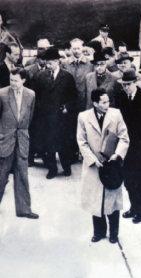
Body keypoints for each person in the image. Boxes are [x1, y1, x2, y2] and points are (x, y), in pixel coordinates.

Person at [77, 88, 129, 243]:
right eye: (104, 102)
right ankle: (99, 232)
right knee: (95, 200)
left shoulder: (116, 114)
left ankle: (114, 233)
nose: (108, 104)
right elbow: (81, 141)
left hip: (112, 165)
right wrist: (92, 159)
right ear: (95, 103)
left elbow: (124, 137)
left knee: (112, 200)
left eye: (108, 101)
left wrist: (117, 155)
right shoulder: (83, 117)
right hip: (94, 165)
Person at [114, 69, 141, 223]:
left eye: (128, 84)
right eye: (123, 85)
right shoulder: (119, 97)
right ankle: (133, 207)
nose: (125, 87)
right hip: (125, 144)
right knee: (129, 179)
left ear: (135, 82)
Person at [0, 68, 38, 219]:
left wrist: (24, 133)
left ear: (23, 80)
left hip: (22, 140)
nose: (12, 83)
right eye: (11, 80)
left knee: (22, 174)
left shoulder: (31, 95)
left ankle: (24, 210)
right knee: (1, 175)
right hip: (5, 140)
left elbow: (30, 117)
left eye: (15, 80)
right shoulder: (1, 94)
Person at [35, 46, 78, 179]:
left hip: (62, 118)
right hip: (46, 117)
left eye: (52, 61)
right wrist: (41, 110)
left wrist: (67, 107)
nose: (49, 64)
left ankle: (66, 167)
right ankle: (52, 169)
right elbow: (37, 96)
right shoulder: (40, 76)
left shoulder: (67, 77)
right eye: (48, 62)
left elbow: (74, 97)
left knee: (63, 144)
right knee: (49, 145)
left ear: (58, 61)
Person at [64, 38, 94, 112]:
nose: (76, 51)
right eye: (74, 49)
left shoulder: (90, 64)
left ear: (82, 48)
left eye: (78, 48)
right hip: (69, 101)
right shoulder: (65, 63)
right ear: (71, 49)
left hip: (85, 101)